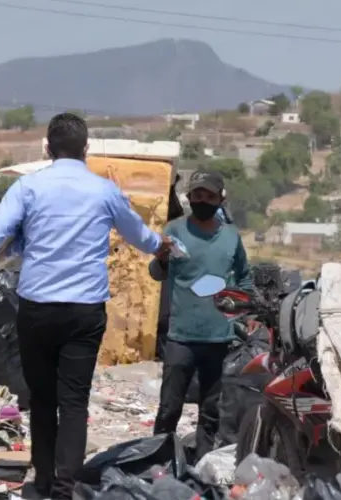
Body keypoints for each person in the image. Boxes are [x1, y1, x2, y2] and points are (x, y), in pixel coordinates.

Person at [0, 112, 173, 500]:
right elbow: (141, 238)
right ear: (86, 149)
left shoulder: (29, 187)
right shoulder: (104, 191)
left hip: (37, 307)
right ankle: (65, 489)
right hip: (84, 311)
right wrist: (160, 245)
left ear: (47, 148)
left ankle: (43, 481)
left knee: (42, 398)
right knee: (75, 401)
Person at [148, 170, 253, 460]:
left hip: (219, 337)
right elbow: (156, 273)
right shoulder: (175, 231)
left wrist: (243, 313)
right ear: (189, 197)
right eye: (197, 195)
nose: (202, 200)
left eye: (208, 195)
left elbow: (244, 278)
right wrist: (161, 258)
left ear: (221, 199)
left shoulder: (231, 237)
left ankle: (202, 465)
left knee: (210, 411)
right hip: (181, 337)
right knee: (169, 407)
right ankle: (158, 462)